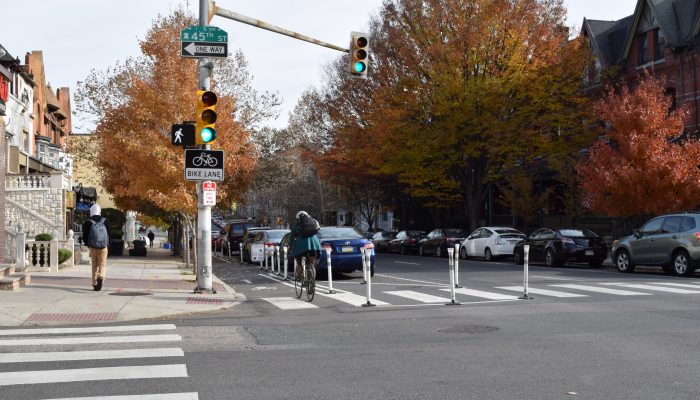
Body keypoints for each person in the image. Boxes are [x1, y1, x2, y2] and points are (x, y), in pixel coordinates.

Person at [82, 204, 111, 291]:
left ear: (91, 212)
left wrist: (88, 245)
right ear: (100, 211)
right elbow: (109, 234)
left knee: (94, 265)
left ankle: (95, 284)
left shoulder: (88, 222)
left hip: (93, 247)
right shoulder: (105, 221)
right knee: (102, 264)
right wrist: (107, 244)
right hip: (103, 247)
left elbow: (85, 236)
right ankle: (101, 277)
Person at [288, 211, 321, 281]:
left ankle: (300, 269)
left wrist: (290, 246)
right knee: (312, 262)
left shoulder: (297, 225)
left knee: (297, 258)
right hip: (314, 245)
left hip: (301, 247)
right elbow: (318, 230)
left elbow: (291, 237)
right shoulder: (314, 222)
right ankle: (311, 277)